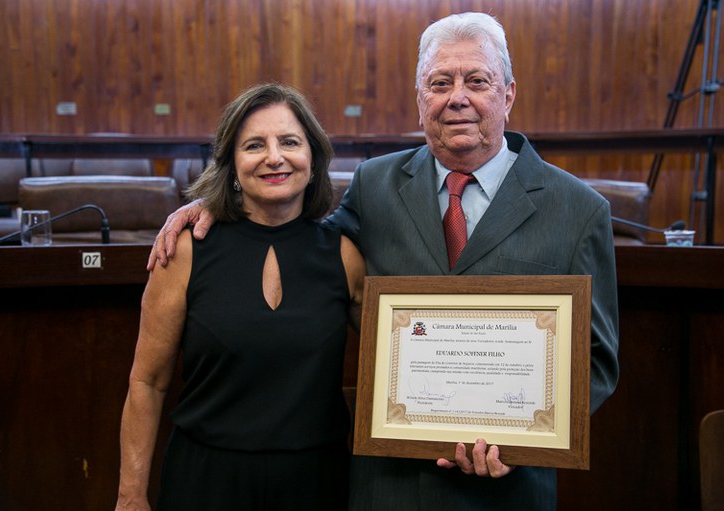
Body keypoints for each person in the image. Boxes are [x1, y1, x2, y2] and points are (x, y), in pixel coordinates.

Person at [148, 12, 619, 511]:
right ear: (420, 101)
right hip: (389, 488)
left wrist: (524, 441)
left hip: (505, 492)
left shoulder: (578, 210)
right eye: (440, 83)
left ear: (507, 95)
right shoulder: (374, 186)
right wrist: (219, 205)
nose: (457, 97)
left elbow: (597, 362)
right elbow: (305, 245)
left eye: (477, 81)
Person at [116, 83, 365, 511]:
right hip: (206, 480)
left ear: (314, 158)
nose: (274, 157)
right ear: (231, 163)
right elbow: (147, 382)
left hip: (316, 482)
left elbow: (397, 354)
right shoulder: (185, 253)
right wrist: (130, 496)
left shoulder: (344, 255)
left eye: (290, 142)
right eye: (254, 145)